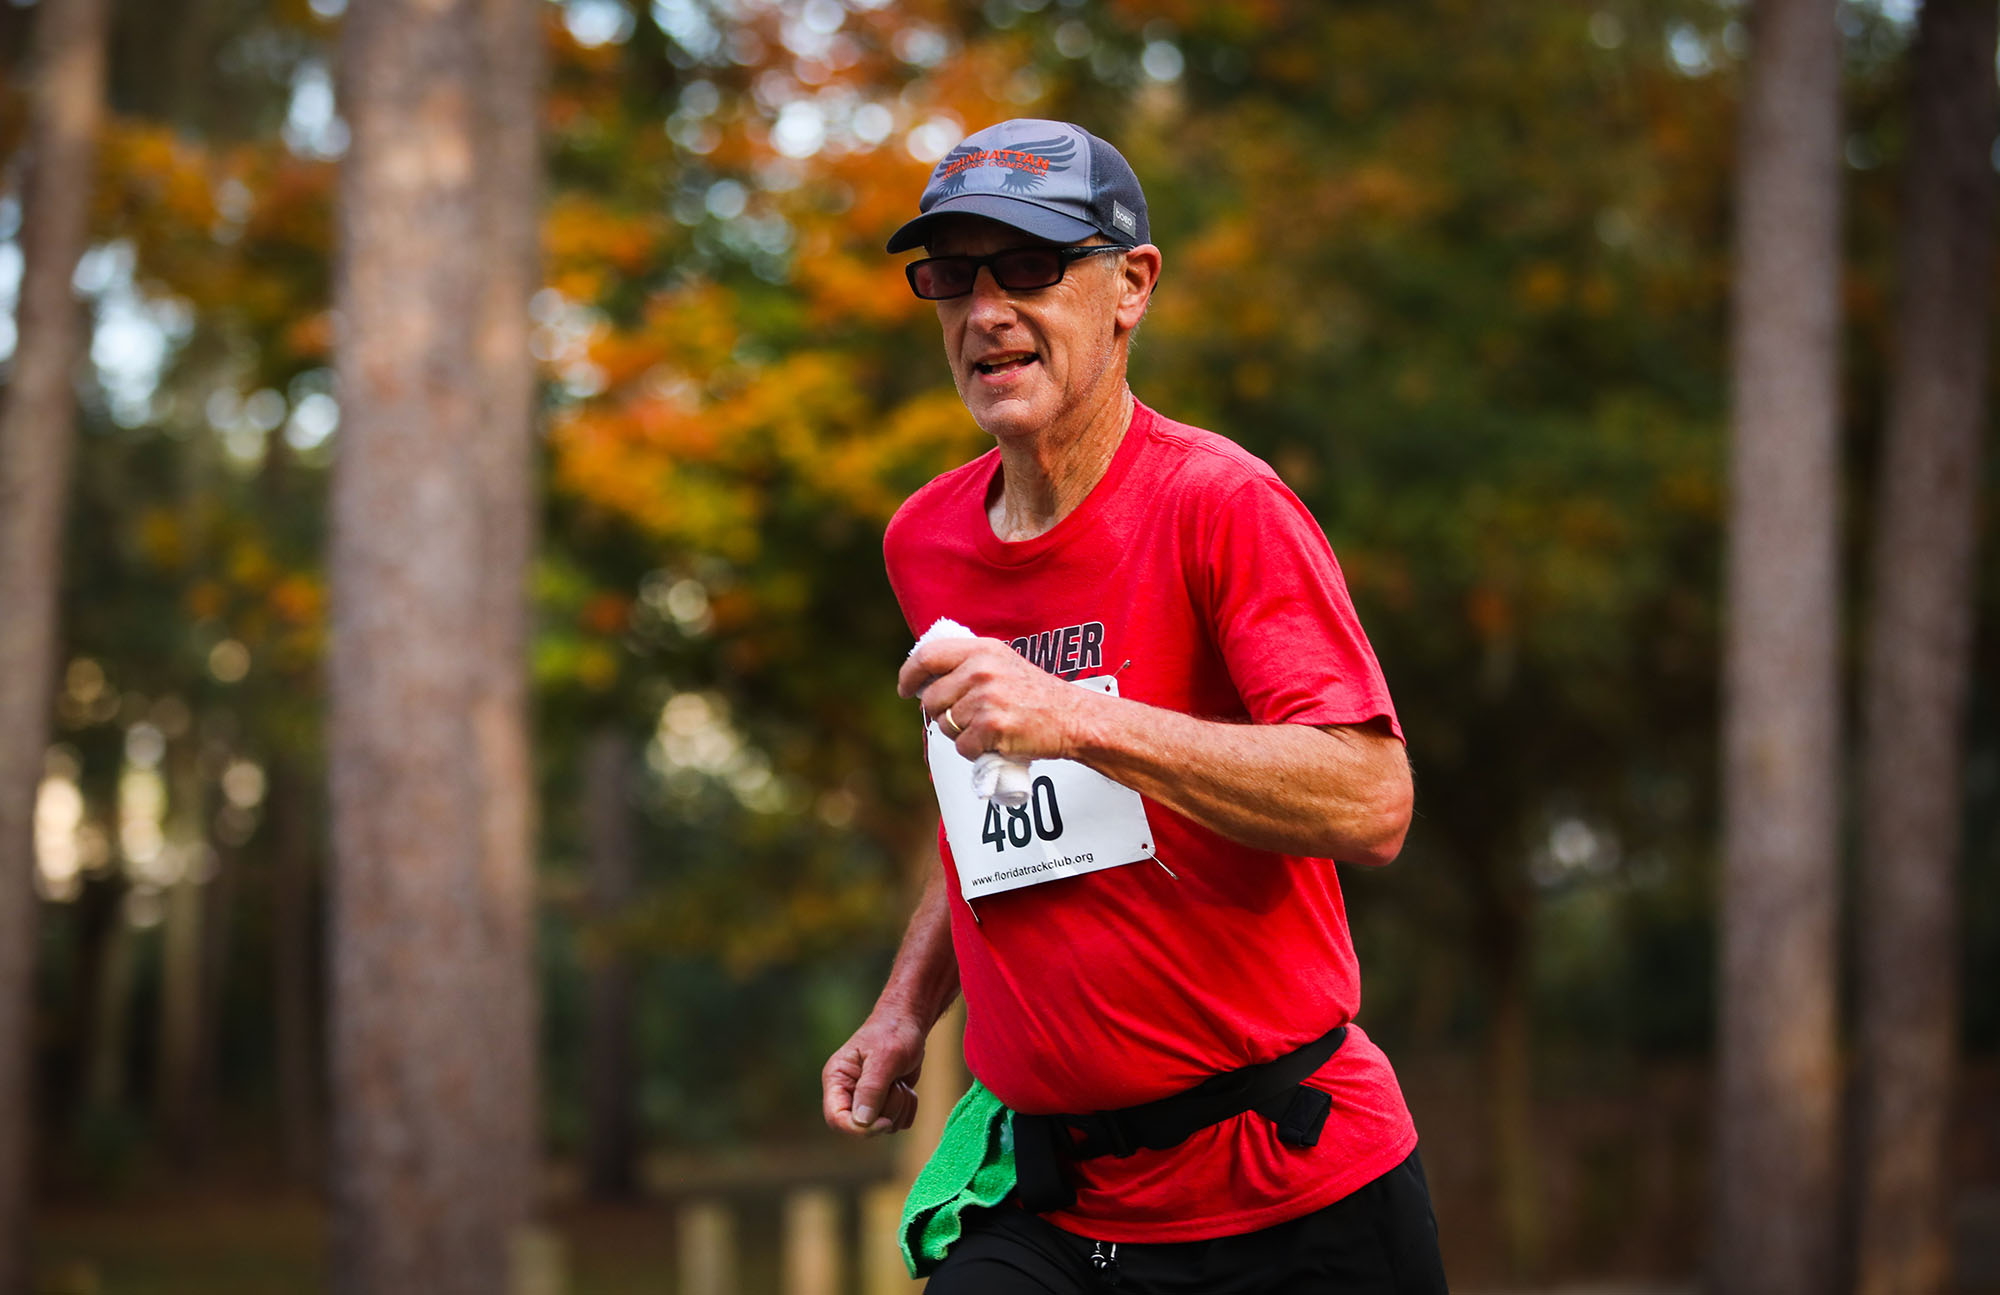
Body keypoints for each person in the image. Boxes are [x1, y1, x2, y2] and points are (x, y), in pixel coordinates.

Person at [820, 118, 1449, 1294]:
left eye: (1028, 265)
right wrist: (903, 1006)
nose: (985, 309)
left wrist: (1079, 717)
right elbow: (986, 804)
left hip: (1290, 1194)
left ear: (1130, 286)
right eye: (952, 275)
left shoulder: (1222, 504)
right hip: (1055, 1202)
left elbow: (1371, 797)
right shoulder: (925, 540)